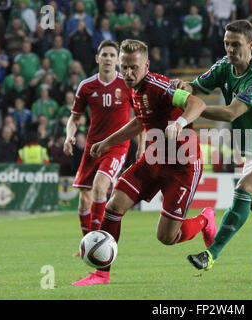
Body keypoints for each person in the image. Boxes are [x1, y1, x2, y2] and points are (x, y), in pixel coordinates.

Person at [72, 39, 214, 286]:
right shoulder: (134, 89)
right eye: (124, 67)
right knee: (114, 205)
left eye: (133, 67)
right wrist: (107, 142)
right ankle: (101, 274)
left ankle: (204, 220)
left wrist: (179, 123)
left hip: (183, 163)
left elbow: (197, 103)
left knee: (167, 237)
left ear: (146, 65)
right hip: (154, 158)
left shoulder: (159, 86)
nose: (127, 73)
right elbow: (140, 122)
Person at [171, 20, 252, 275]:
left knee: (245, 188)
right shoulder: (223, 67)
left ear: (250, 45)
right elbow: (196, 86)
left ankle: (211, 253)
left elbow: (231, 113)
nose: (230, 49)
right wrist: (182, 87)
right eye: (227, 43)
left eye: (236, 44)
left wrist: (193, 111)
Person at [63, 40, 136, 244]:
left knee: (99, 186)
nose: (108, 59)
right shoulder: (86, 86)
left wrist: (142, 146)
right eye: (105, 55)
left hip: (117, 146)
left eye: (113, 55)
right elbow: (74, 118)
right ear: (98, 58)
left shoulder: (127, 84)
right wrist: (69, 135)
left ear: (119, 61)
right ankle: (88, 244)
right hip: (93, 147)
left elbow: (140, 118)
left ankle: (98, 242)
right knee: (84, 197)